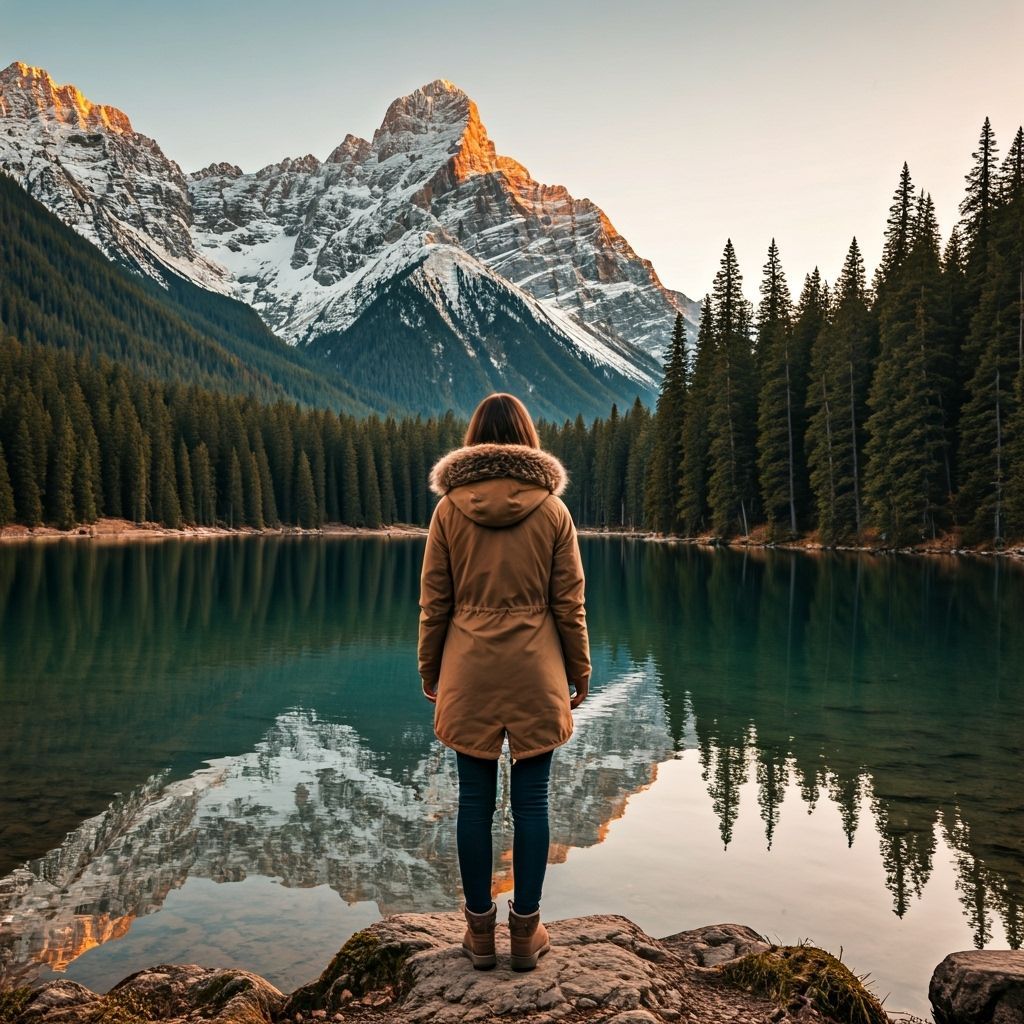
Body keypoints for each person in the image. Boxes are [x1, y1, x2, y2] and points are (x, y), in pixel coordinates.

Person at [418, 392, 591, 972]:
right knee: (532, 802)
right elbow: (570, 605)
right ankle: (525, 932)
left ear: (474, 440)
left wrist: (430, 668)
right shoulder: (553, 512)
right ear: (528, 439)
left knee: (473, 803)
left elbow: (434, 604)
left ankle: (477, 934)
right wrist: (579, 670)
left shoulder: (448, 511)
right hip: (536, 671)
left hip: (468, 670)